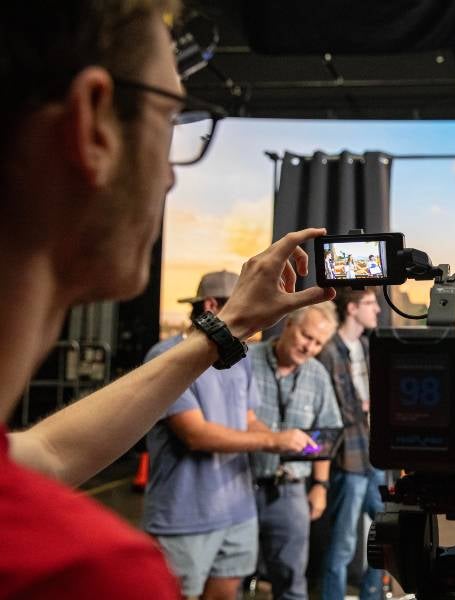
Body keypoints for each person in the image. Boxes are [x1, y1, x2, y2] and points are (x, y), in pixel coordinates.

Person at [0, 3, 334, 596]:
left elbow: (45, 451)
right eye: (172, 121)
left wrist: (227, 330)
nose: (172, 179)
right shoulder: (84, 573)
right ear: (94, 124)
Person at [143, 272, 316, 599]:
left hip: (238, 513)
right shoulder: (164, 358)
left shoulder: (239, 359)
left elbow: (247, 419)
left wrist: (289, 443)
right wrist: (274, 441)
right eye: (243, 308)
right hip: (182, 517)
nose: (253, 320)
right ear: (211, 306)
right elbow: (195, 435)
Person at [249, 304, 343, 600]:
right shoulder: (246, 361)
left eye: (318, 343)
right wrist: (275, 439)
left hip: (290, 492)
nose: (309, 347)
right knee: (230, 576)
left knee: (291, 582)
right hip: (239, 483)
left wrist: (320, 485)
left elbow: (326, 435)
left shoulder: (317, 375)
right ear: (289, 324)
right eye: (306, 336)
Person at [319, 288, 385, 600]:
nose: (377, 310)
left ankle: (372, 595)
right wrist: (368, 406)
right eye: (371, 304)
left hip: (373, 455)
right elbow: (334, 411)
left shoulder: (365, 346)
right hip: (348, 459)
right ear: (352, 308)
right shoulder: (330, 351)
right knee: (343, 542)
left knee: (387, 532)